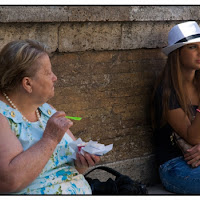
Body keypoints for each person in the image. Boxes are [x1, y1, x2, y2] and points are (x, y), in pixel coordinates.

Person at [0, 39, 100, 194]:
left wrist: (82, 160)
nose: (55, 77)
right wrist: (50, 139)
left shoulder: (46, 110)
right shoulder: (2, 118)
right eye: (48, 72)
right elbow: (9, 182)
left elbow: (72, 169)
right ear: (27, 84)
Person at [151, 21, 200, 194]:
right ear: (177, 53)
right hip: (175, 166)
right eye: (193, 47)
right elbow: (192, 137)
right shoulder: (166, 90)